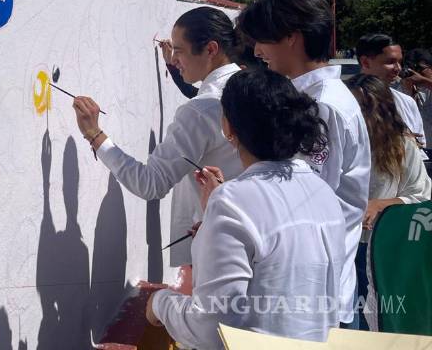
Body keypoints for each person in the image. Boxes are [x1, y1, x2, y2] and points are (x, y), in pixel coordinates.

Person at [144, 68, 345, 348]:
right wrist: (213, 221)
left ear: (227, 127)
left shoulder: (232, 201)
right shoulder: (322, 192)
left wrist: (160, 303)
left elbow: (212, 329)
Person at [236, 0, 370, 328]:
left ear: (291, 37)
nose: (257, 51)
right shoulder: (312, 96)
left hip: (316, 296)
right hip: (314, 285)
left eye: (262, 39)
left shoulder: (321, 105)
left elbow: (303, 199)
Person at [72, 7, 244, 270]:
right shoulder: (252, 86)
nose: (174, 58)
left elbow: (150, 184)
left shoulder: (201, 111)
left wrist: (95, 135)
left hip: (220, 250)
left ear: (211, 49)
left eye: (179, 50)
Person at [344, 74, 431, 330]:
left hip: (379, 247)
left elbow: (421, 195)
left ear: (380, 108)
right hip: (343, 243)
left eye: (362, 107)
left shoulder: (402, 145)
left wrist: (381, 204)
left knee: (377, 315)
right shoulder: (339, 141)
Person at [356, 34, 426, 147]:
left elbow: (420, 145)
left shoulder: (407, 103)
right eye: (390, 62)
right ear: (365, 62)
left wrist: (411, 145)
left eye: (400, 62)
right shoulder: (347, 103)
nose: (398, 68)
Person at [397, 48, 432, 139]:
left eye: (420, 69)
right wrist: (408, 91)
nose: (416, 73)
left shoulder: (428, 86)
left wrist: (425, 81)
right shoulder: (400, 88)